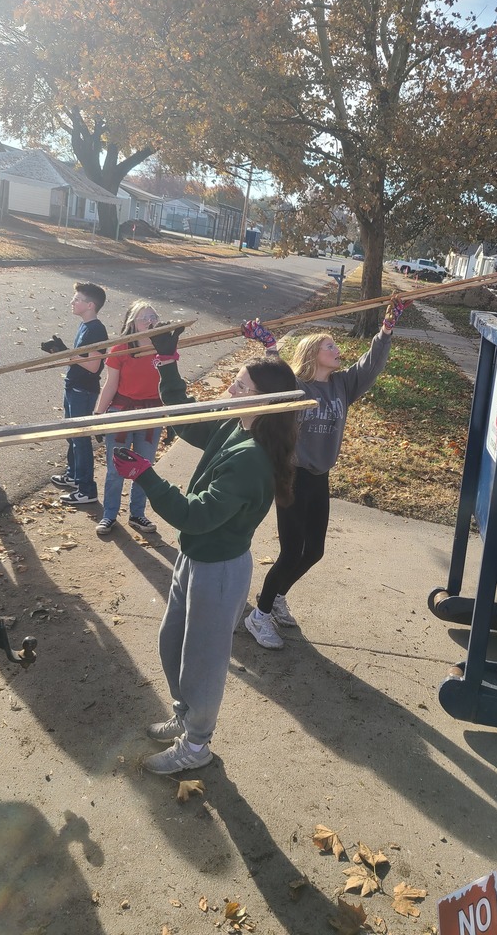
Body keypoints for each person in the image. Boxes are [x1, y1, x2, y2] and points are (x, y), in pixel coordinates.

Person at [111, 330, 298, 774]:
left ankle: (197, 744)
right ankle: (185, 714)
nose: (228, 390)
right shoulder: (236, 425)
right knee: (172, 640)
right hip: (194, 558)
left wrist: (147, 477)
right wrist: (168, 361)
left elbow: (196, 515)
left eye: (239, 387)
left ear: (264, 403)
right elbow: (183, 420)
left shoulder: (253, 458)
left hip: (220, 569)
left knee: (205, 661)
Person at [241, 297, 408, 649]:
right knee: (290, 551)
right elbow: (276, 375)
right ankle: (260, 615)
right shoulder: (298, 389)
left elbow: (371, 365)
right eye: (330, 346)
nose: (338, 349)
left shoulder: (342, 386)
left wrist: (386, 330)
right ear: (313, 353)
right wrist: (268, 344)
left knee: (314, 551)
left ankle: (278, 595)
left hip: (319, 477)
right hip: (291, 476)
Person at [93, 299, 163, 537]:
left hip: (151, 412)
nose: (152, 321)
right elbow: (110, 384)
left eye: (154, 316)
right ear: (133, 323)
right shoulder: (121, 348)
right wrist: (99, 415)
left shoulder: (164, 346)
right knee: (116, 468)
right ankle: (109, 515)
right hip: (123, 411)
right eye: (146, 317)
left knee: (144, 467)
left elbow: (170, 382)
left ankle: (137, 514)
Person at [48, 282, 108, 505]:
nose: (72, 302)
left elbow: (93, 366)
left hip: (83, 391)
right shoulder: (85, 325)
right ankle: (74, 476)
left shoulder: (96, 330)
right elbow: (81, 359)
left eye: (77, 299)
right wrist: (63, 352)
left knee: (81, 440)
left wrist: (66, 353)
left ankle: (87, 489)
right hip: (73, 387)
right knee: (72, 436)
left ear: (90, 305)